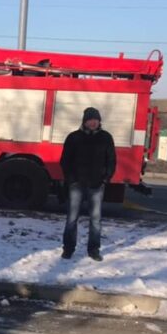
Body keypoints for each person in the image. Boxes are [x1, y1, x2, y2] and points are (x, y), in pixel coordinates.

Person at [60, 106, 116, 261]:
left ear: (99, 121)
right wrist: (71, 179)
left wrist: (106, 178)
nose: (93, 122)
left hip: (97, 185)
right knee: (72, 218)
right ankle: (68, 249)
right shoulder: (73, 137)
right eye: (90, 120)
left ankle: (94, 250)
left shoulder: (106, 138)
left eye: (96, 120)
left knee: (96, 219)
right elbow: (65, 161)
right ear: (84, 121)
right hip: (76, 184)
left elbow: (111, 160)